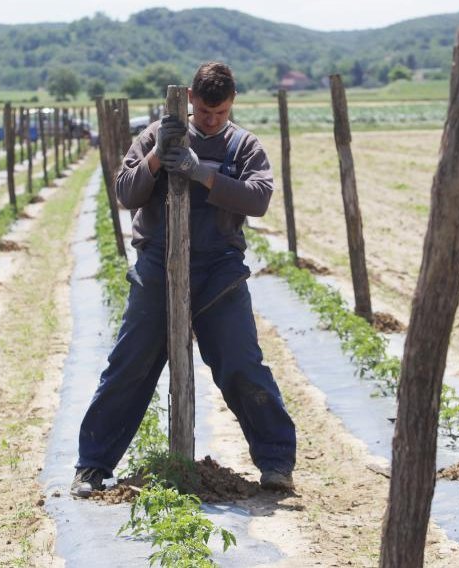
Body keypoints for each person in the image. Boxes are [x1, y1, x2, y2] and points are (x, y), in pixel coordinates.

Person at [71, 61, 296, 497]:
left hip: (219, 271)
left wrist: (203, 173)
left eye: (221, 113)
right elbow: (124, 192)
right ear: (190, 98)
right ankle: (92, 466)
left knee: (241, 364)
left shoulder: (244, 146)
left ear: (231, 105)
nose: (212, 120)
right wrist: (156, 159)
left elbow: (259, 198)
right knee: (129, 366)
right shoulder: (155, 134)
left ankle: (276, 462)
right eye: (205, 111)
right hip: (157, 265)